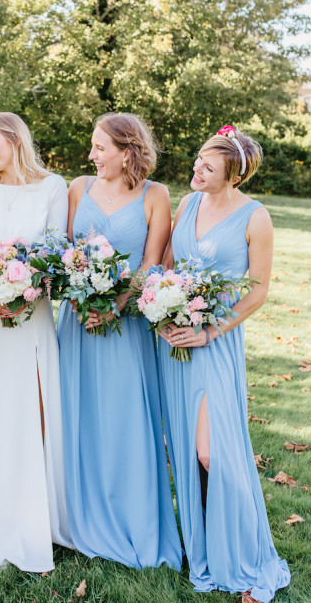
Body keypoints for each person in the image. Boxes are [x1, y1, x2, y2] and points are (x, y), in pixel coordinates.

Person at [158, 126, 290, 603]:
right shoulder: (188, 204)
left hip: (215, 344)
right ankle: (207, 547)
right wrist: (161, 307)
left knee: (213, 453)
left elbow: (258, 289)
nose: (196, 169)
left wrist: (209, 329)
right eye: (197, 160)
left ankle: (246, 553)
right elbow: (169, 265)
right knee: (189, 456)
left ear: (233, 174)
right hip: (175, 343)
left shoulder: (256, 217)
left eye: (208, 167)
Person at [57, 112, 182, 569]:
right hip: (77, 323)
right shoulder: (78, 188)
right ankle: (77, 516)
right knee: (79, 412)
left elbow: (151, 264)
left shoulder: (156, 195)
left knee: (126, 417)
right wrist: (79, 292)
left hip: (126, 325)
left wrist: (115, 304)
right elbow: (63, 251)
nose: (91, 156)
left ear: (127, 151)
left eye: (99, 148)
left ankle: (131, 515)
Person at [0, 112, 72, 572]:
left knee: (30, 411)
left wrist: (26, 294)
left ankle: (33, 518)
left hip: (33, 317)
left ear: (13, 137)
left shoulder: (52, 186)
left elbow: (56, 251)